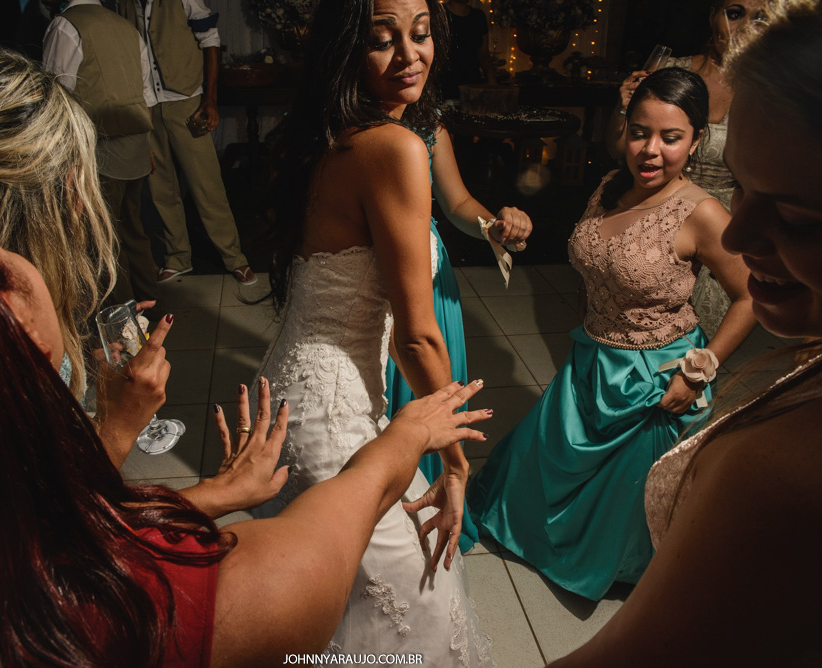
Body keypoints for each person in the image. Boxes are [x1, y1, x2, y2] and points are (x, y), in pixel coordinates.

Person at [0, 148, 492, 666]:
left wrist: (200, 489)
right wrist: (400, 441)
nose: (25, 275)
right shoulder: (110, 607)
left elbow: (69, 524)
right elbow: (303, 583)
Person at [552, 1, 822, 662]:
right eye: (742, 187)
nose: (739, 235)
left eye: (798, 219)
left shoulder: (796, 461)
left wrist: (701, 364)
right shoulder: (611, 186)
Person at [254, 1, 493, 663]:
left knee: (340, 600)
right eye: (384, 40)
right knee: (416, 596)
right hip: (327, 414)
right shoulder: (394, 147)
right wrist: (455, 462)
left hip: (293, 395)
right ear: (349, 51)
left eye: (421, 35)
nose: (410, 55)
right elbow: (415, 337)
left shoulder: (334, 133)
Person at [469, 67, 756, 601]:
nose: (651, 151)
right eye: (640, 132)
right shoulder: (608, 186)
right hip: (591, 359)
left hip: (653, 379)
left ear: (696, 141)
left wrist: (699, 371)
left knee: (621, 503)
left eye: (671, 137)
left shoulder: (703, 214)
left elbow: (751, 296)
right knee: (544, 468)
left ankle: (610, 569)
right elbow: (595, 263)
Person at [0, 46, 164, 467]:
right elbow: (48, 500)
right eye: (83, 177)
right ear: (64, 190)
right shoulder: (11, 316)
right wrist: (120, 424)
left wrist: (90, 367)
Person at [384, 120, 532, 554]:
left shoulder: (430, 127)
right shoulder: (343, 121)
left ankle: (433, 501)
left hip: (427, 274)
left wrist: (491, 225)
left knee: (428, 388)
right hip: (371, 269)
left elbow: (458, 203)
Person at [608, 0, 767, 337]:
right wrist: (623, 110)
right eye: (735, 13)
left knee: (705, 331)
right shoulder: (669, 70)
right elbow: (619, 149)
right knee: (632, 323)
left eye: (760, 18)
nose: (744, 28)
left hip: (723, 223)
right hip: (655, 209)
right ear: (713, 15)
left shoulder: (769, 88)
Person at [114, 0, 255, 286]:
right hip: (147, 105)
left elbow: (210, 39)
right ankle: (178, 257)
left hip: (187, 101)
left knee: (207, 185)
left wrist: (210, 99)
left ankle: (234, 257)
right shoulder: (122, 4)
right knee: (160, 187)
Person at [42, 0, 161, 305]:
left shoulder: (67, 25)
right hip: (135, 144)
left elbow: (56, 97)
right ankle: (151, 304)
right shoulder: (126, 26)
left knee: (102, 239)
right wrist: (146, 145)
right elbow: (146, 95)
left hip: (98, 149)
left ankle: (124, 320)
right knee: (132, 229)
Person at [440, 0, 496, 99]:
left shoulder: (478, 16)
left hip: (472, 83)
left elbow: (483, 53)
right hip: (444, 83)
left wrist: (492, 82)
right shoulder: (440, 13)